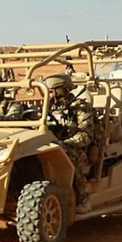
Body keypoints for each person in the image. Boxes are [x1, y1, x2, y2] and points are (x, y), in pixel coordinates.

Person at [43, 73, 95, 208]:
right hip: (51, 145)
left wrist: (66, 143)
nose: (47, 95)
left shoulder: (80, 107)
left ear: (60, 90)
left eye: (50, 91)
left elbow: (86, 134)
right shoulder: (47, 107)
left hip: (77, 148)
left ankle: (83, 198)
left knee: (70, 155)